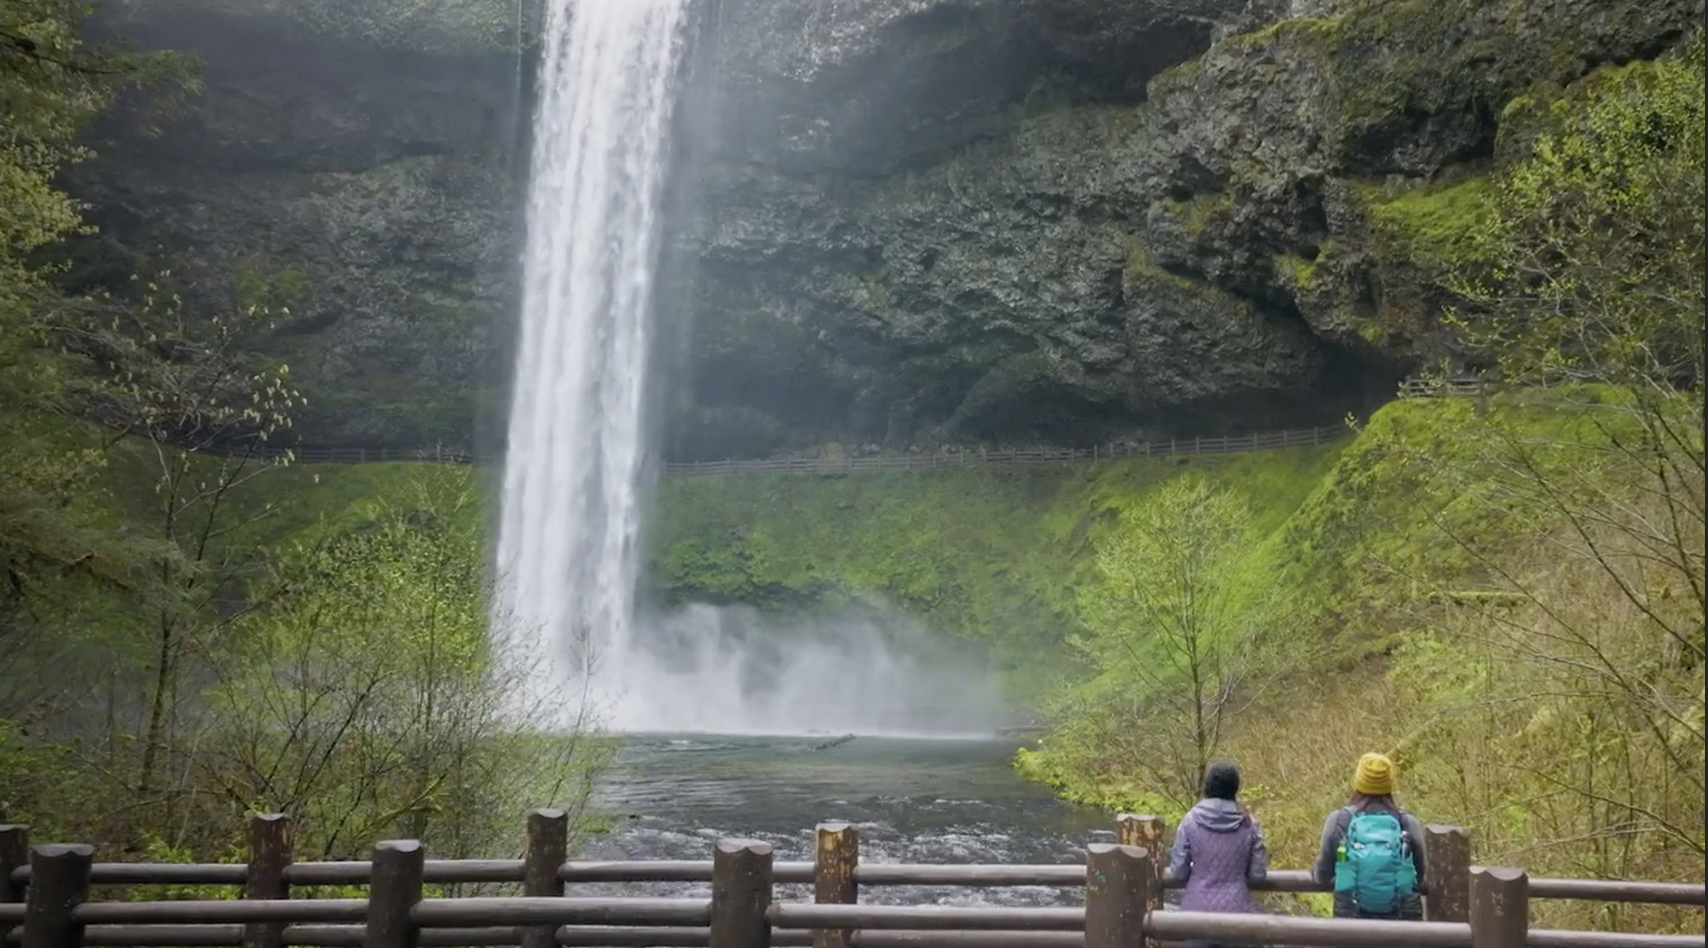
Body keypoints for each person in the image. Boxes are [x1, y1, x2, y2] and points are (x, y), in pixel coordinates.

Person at [1312, 752, 1427, 926]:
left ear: (1358, 782)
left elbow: (1322, 876)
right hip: (1402, 924)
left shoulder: (1339, 821)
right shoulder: (1407, 823)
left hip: (1351, 922)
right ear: (1390, 785)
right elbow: (1420, 875)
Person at [1168, 761, 1270, 948]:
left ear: (1207, 786)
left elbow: (1178, 871)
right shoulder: (1248, 823)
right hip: (1237, 912)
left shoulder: (1190, 820)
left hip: (1196, 912)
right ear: (1235, 788)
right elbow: (1258, 874)